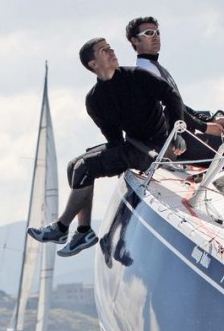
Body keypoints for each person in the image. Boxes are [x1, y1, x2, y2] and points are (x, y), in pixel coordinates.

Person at [28, 37, 185, 257]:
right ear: (93, 64)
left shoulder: (137, 76)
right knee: (75, 166)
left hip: (156, 149)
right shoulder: (94, 100)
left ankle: (62, 227)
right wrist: (102, 155)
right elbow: (114, 141)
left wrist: (177, 131)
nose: (112, 51)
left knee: (84, 166)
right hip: (133, 147)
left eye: (110, 48)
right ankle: (83, 231)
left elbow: (172, 97)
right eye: (104, 50)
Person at [126, 16, 224, 164]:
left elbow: (179, 105)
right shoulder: (145, 71)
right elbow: (168, 110)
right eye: (149, 33)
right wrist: (206, 127)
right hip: (168, 144)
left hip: (177, 135)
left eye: (157, 33)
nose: (155, 37)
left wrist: (209, 120)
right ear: (135, 40)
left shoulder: (156, 68)